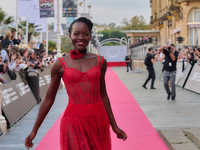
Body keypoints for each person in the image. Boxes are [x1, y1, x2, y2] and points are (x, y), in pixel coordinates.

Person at [25, 17, 127, 150]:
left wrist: (114, 126)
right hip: (74, 122)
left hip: (98, 120)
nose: (81, 37)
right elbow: (49, 98)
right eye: (76, 33)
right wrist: (35, 130)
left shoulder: (100, 61)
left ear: (90, 36)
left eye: (86, 34)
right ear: (70, 35)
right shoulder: (60, 64)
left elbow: (103, 96)